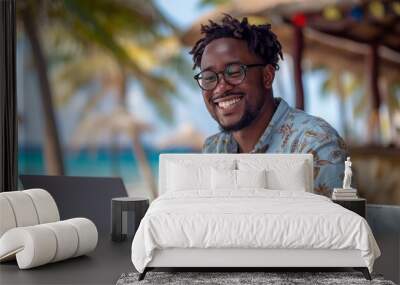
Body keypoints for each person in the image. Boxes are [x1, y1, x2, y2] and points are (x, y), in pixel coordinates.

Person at [189, 14, 347, 197]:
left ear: (267, 76)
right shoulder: (214, 148)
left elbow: (330, 225)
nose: (221, 87)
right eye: (209, 78)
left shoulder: (314, 145)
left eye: (234, 72)